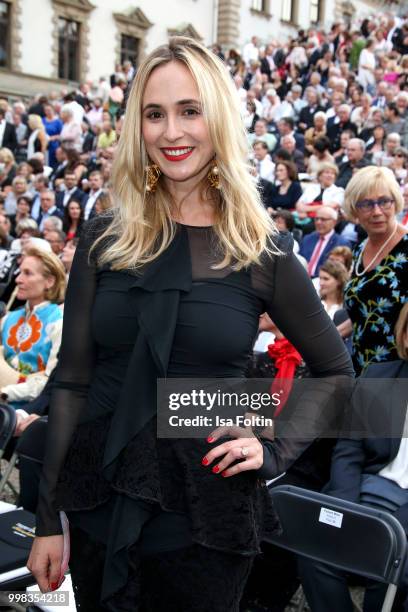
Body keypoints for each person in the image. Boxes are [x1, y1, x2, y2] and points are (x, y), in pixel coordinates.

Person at [27, 37, 352, 611]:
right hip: (98, 498)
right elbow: (74, 380)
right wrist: (49, 516)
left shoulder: (263, 251)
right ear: (137, 126)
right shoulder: (103, 239)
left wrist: (271, 445)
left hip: (205, 513)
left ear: (219, 119)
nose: (171, 132)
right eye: (155, 114)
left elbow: (335, 372)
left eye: (189, 110)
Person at [298, 302, 408, 612]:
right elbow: (349, 450)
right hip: (365, 495)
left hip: (404, 515)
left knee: (394, 567)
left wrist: (392, 531)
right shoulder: (379, 378)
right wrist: (346, 511)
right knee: (314, 546)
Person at [342, 166, 408, 374]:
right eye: (367, 204)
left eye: (384, 201)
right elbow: (366, 310)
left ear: (395, 202)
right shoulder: (360, 249)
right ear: (354, 209)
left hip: (398, 371)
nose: (377, 211)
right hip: (362, 367)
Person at [0, 247, 65, 405]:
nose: (18, 279)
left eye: (27, 273)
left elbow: (50, 382)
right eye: (20, 272)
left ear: (49, 281)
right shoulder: (9, 318)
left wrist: (5, 392)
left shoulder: (59, 323)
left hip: (25, 416)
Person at [299, 206, 351, 277]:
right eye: (316, 219)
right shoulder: (307, 239)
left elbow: (339, 273)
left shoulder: (341, 243)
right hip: (301, 278)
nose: (318, 222)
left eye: (323, 219)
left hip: (323, 282)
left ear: (334, 222)